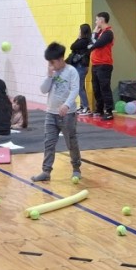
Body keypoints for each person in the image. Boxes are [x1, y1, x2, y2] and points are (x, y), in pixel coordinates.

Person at [31, 42, 80, 182]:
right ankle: (46, 171)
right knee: (49, 142)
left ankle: (76, 168)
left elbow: (75, 90)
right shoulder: (52, 73)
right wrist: (49, 76)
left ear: (60, 59)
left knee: (71, 142)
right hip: (50, 113)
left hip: (68, 115)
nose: (51, 65)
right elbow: (43, 90)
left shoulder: (71, 71)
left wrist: (66, 105)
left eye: (52, 62)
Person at [89, 12, 115, 120]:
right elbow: (91, 44)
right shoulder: (101, 32)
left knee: (104, 88)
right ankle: (99, 109)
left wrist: (94, 34)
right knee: (96, 88)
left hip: (104, 65)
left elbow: (96, 44)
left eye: (96, 20)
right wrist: (95, 35)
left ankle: (109, 111)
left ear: (101, 20)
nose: (95, 22)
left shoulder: (108, 33)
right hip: (95, 64)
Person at [68, 23, 93, 115]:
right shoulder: (85, 41)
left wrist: (78, 37)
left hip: (81, 66)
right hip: (81, 66)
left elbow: (72, 46)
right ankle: (83, 106)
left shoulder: (84, 41)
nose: (79, 32)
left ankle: (86, 107)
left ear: (83, 31)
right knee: (81, 86)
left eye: (80, 30)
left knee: (79, 87)